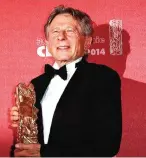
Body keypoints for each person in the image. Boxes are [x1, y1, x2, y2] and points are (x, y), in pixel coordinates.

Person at [10, 5, 122, 157]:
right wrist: (21, 128)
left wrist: (45, 153)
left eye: (70, 30)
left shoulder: (103, 78)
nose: (61, 36)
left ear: (88, 42)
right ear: (48, 42)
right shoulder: (36, 84)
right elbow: (27, 145)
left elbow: (108, 145)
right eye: (55, 31)